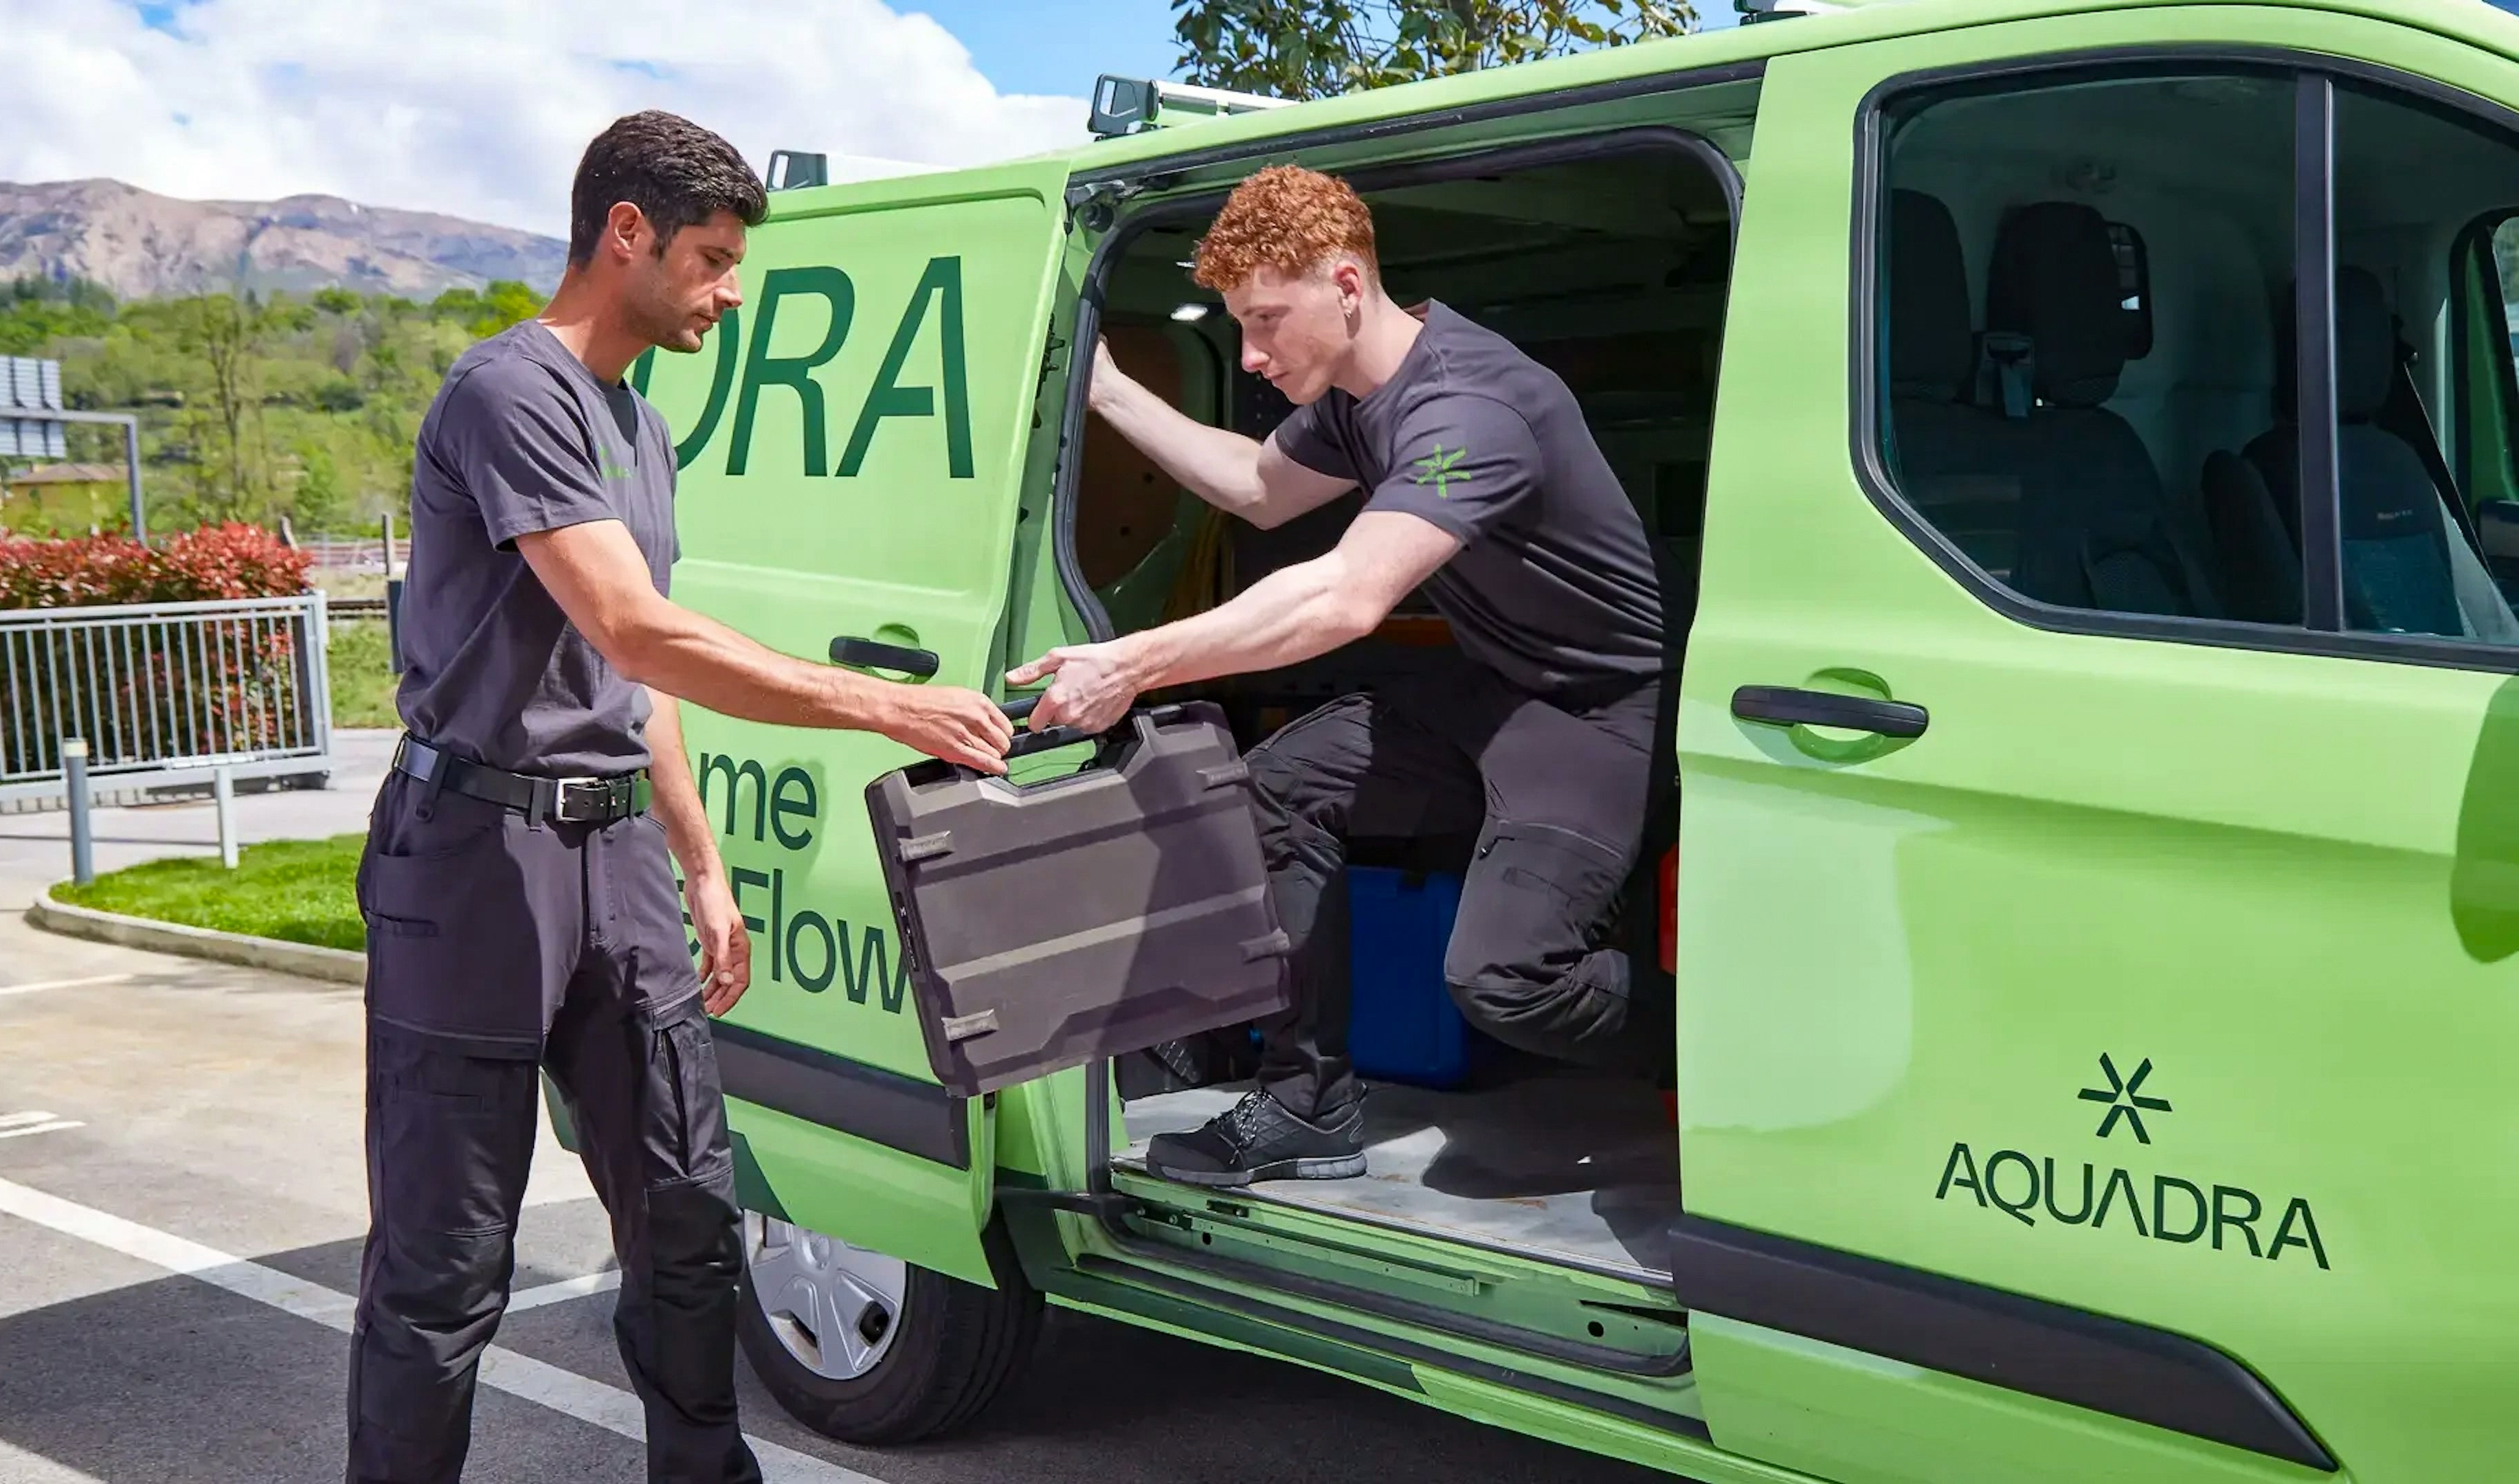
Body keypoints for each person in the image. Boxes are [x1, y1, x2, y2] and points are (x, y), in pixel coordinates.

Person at [346, 110, 1012, 1484]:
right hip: (474, 858)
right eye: (712, 260)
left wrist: (699, 864)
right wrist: (888, 703)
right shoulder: (506, 393)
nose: (729, 291)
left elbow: (631, 677)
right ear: (625, 235)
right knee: (446, 1265)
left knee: (693, 1224)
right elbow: (640, 629)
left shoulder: (638, 427)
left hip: (618, 861)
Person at [1010, 163, 1668, 1188]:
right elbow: (1257, 487)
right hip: (1490, 690)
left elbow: (1343, 598)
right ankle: (1307, 1101)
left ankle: (1728, 1050)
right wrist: (1102, 386)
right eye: (1239, 323)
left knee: (1505, 981)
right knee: (1275, 788)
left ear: (1348, 287)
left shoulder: (1471, 407)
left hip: (1592, 717)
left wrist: (1131, 660)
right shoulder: (1362, 395)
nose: (1252, 352)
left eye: (1268, 319)